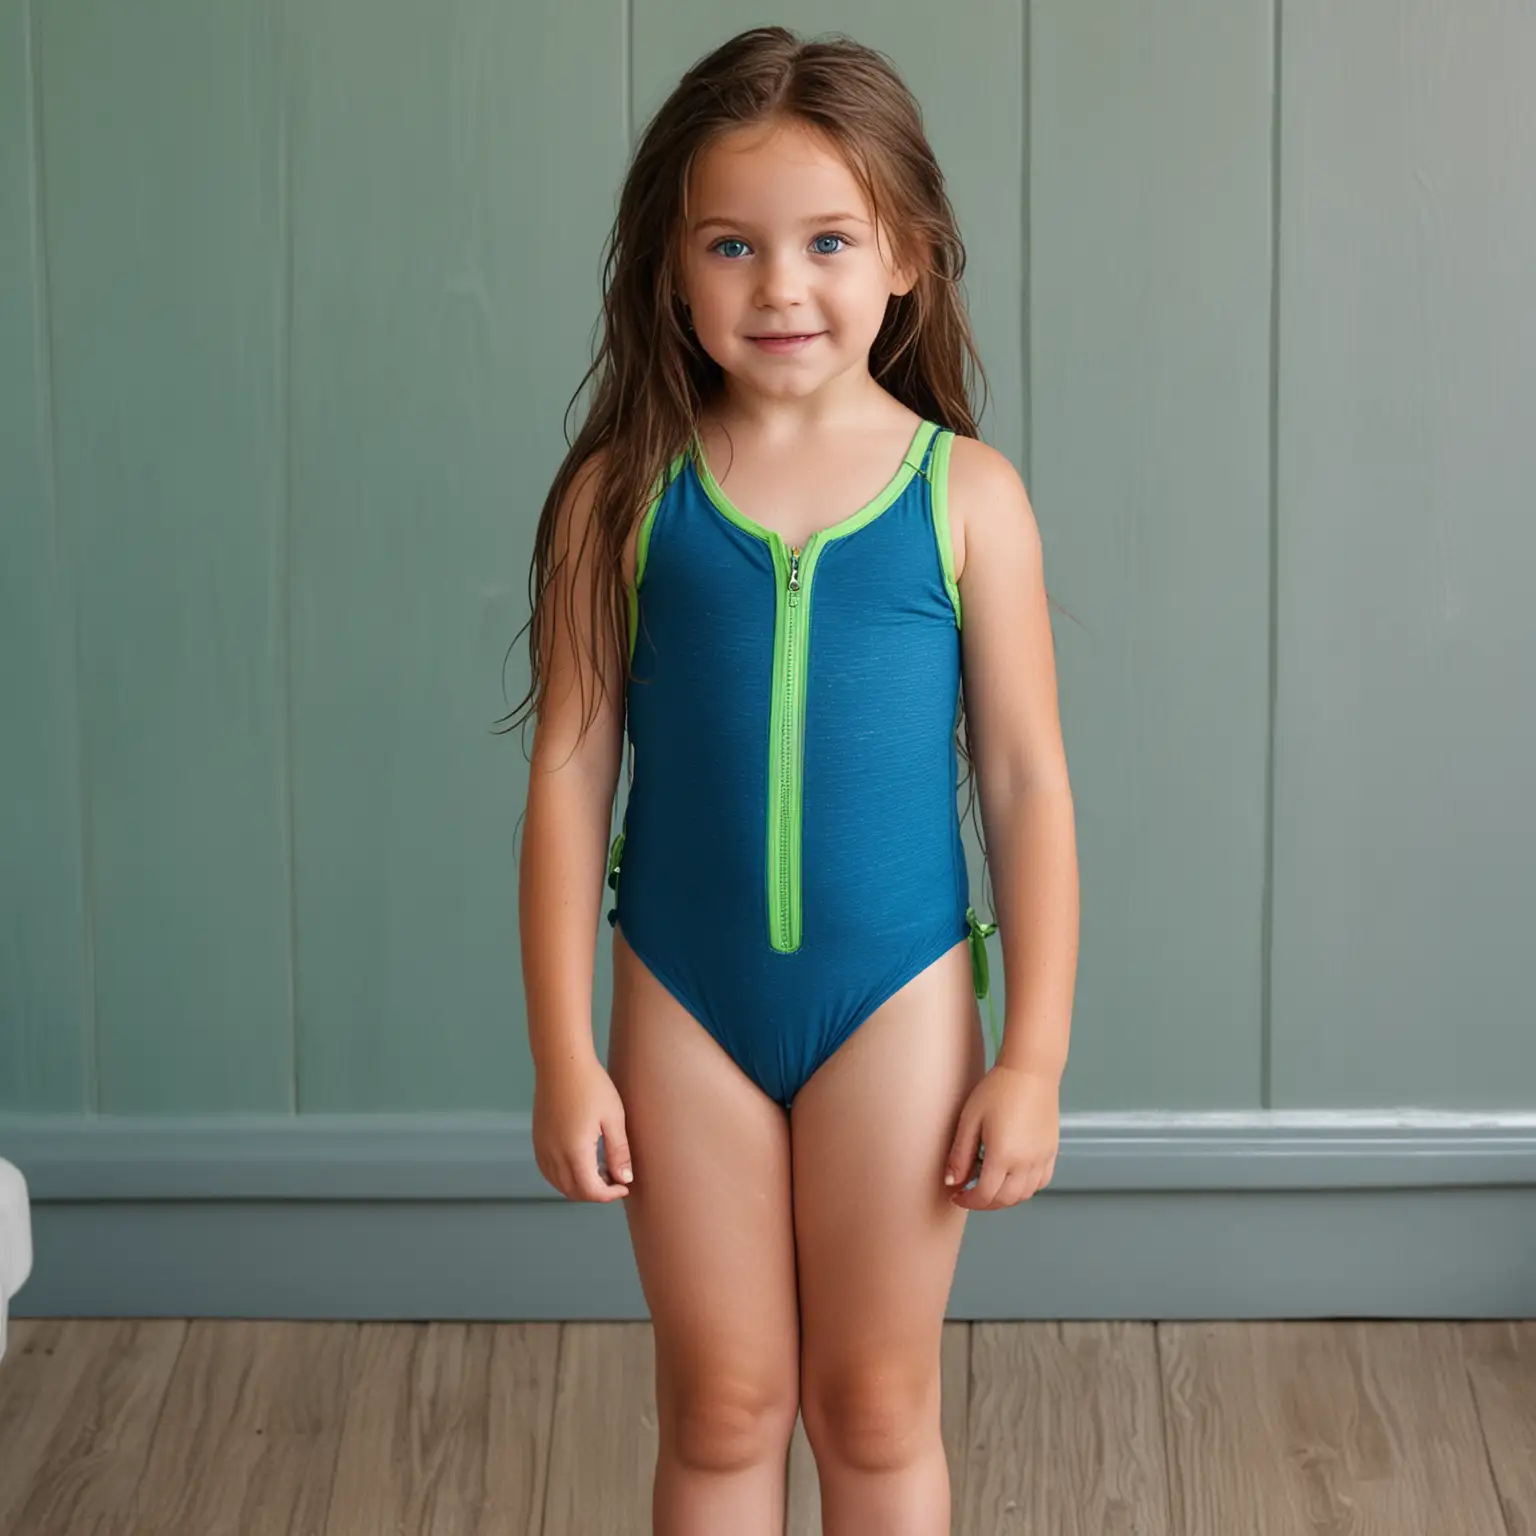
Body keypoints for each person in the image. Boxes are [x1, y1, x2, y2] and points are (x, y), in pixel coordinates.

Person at [508, 25, 1080, 1535]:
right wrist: (564, 1053)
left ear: (907, 256)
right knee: (723, 1406)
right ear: (672, 273)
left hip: (895, 995)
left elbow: (1023, 784)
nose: (780, 285)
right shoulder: (619, 497)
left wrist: (1033, 1055)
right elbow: (571, 780)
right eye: (732, 245)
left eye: (829, 239)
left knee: (878, 1410)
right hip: (682, 998)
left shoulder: (969, 498)